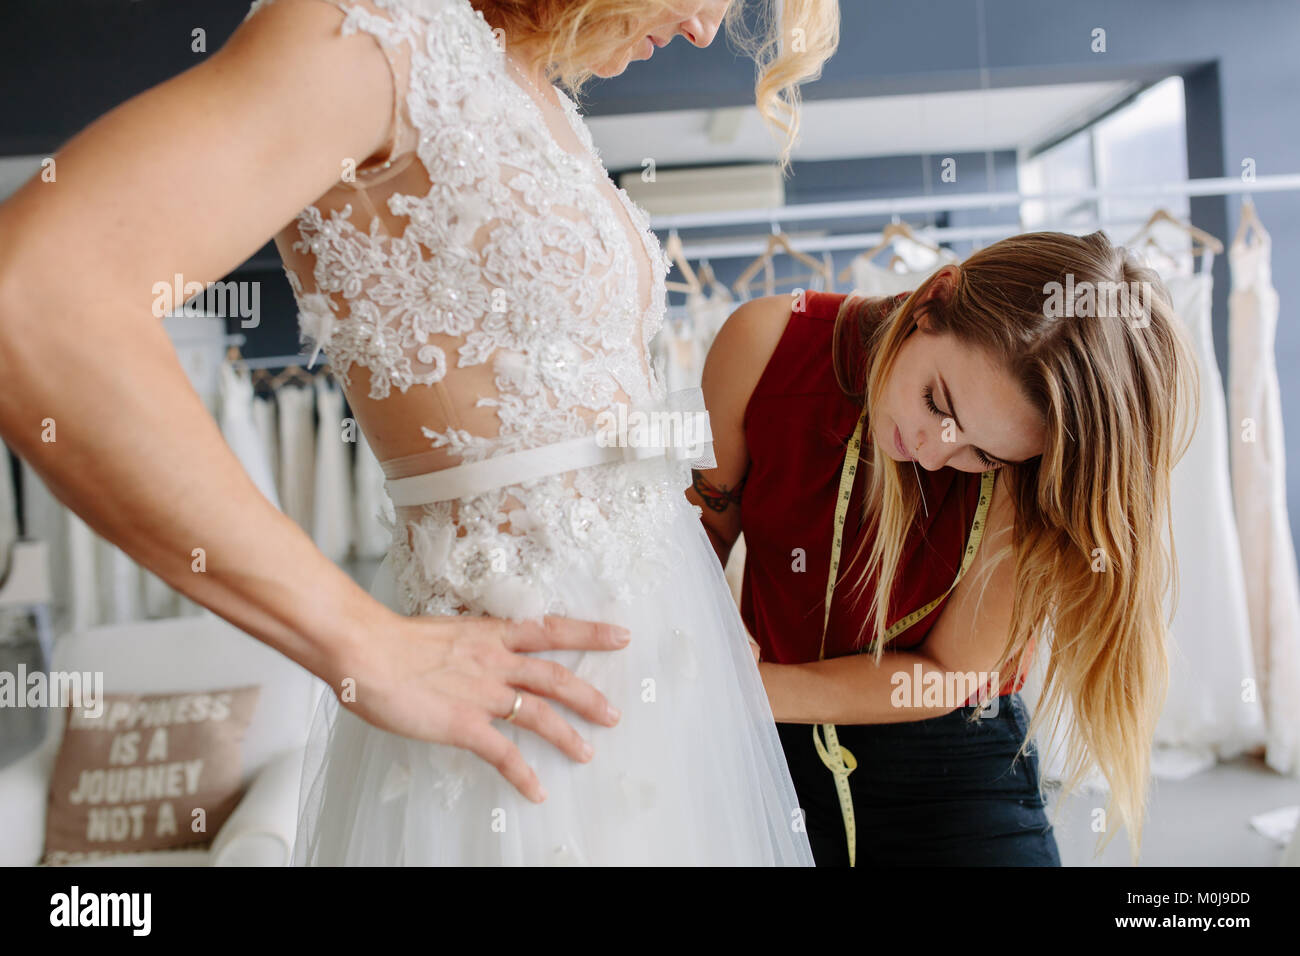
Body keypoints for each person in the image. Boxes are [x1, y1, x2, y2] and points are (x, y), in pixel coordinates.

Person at [0, 0, 839, 864]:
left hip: (662, 702)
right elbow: (35, 300)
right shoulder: (379, 33)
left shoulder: (527, 80)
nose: (707, 28)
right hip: (518, 719)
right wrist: (360, 642)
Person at [691, 231, 1199, 865]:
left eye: (981, 455)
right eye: (937, 402)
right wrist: (696, 632)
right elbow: (705, 525)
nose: (931, 452)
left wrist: (737, 689)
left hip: (957, 755)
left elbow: (945, 673)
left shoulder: (1036, 468)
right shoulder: (764, 343)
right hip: (770, 753)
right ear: (934, 297)